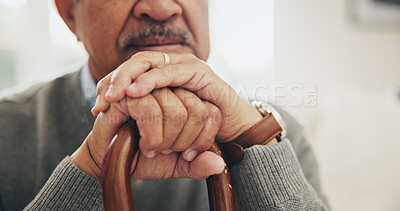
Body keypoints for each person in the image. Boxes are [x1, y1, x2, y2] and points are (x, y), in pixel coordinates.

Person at [0, 0, 329, 210]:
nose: (160, 7)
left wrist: (255, 142)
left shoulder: (276, 136)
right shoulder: (6, 132)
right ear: (69, 11)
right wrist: (87, 172)